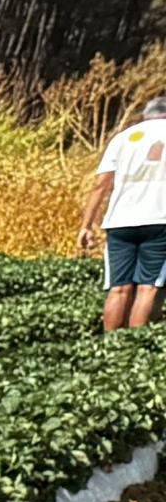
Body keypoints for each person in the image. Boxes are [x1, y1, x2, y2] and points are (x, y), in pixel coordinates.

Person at [82, 98, 166, 330]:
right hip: (160, 220)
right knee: (148, 287)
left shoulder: (123, 138)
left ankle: (112, 348)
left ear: (145, 115)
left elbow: (101, 185)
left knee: (119, 288)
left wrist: (86, 226)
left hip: (119, 222)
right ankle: (134, 347)